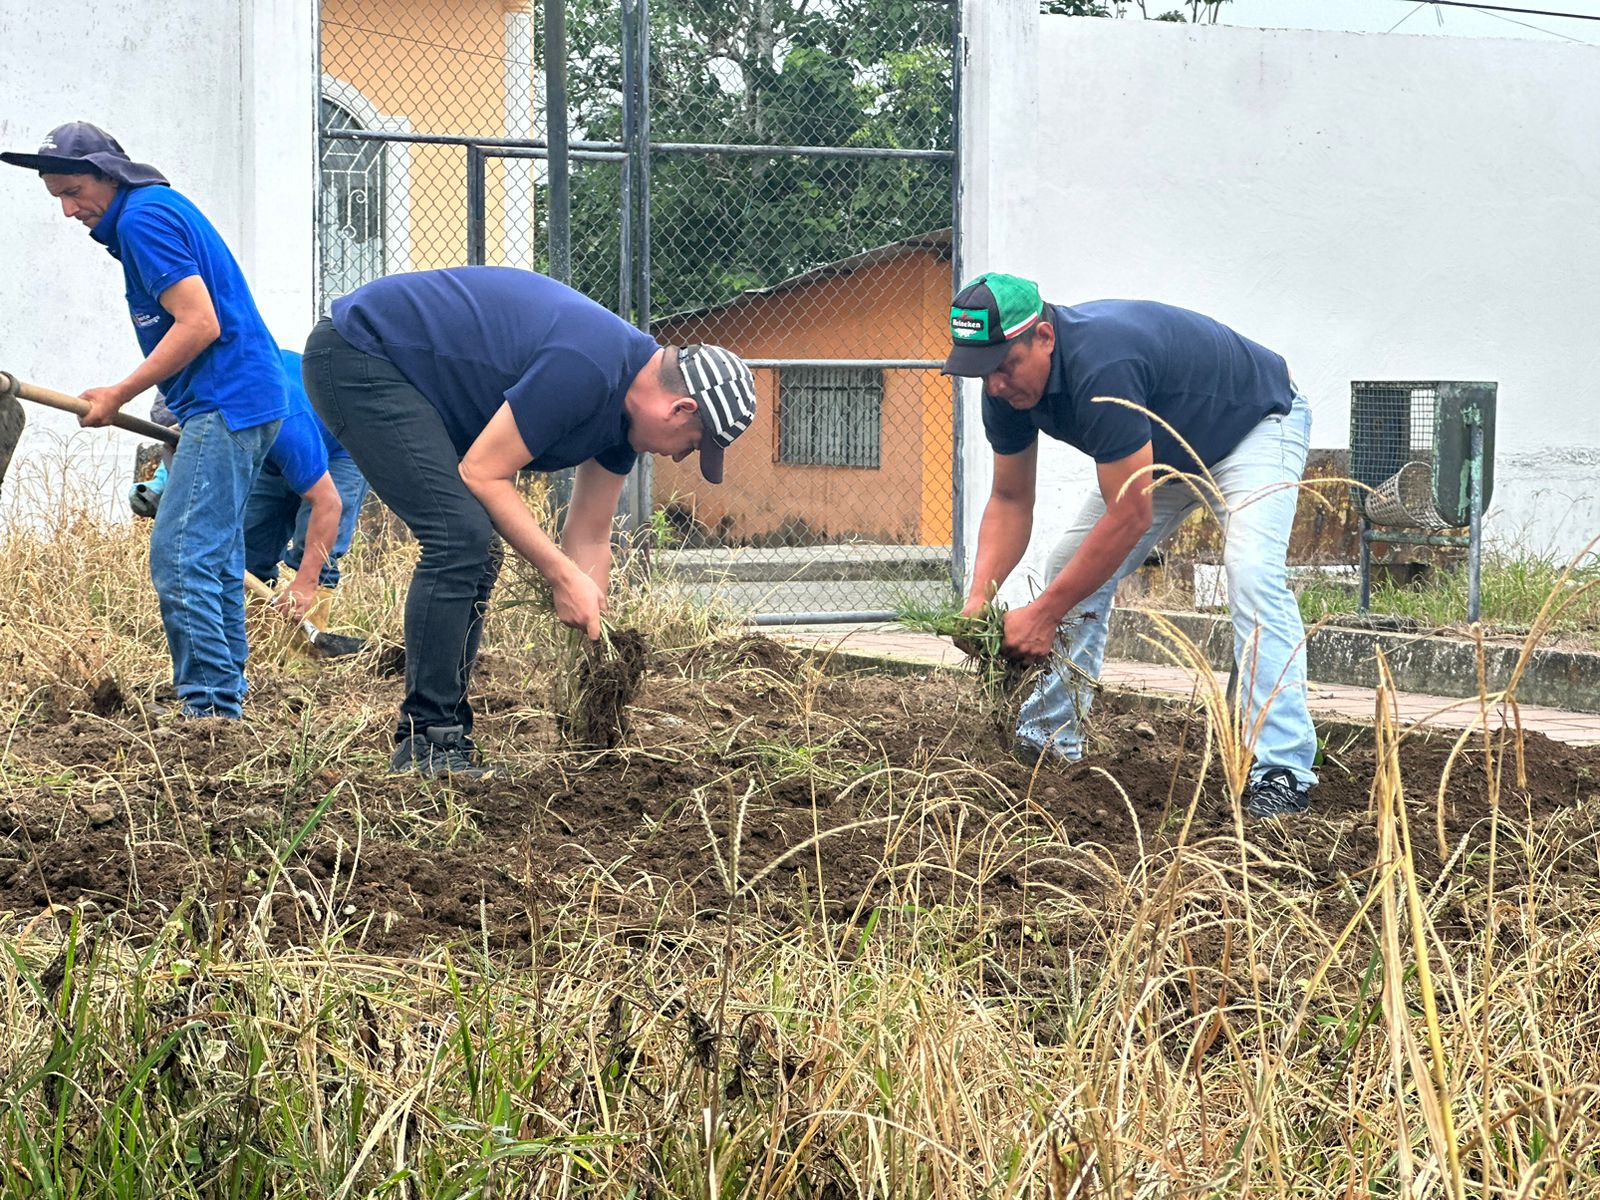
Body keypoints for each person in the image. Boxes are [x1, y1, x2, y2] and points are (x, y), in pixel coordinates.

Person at [302, 266, 758, 777]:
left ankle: (442, 738)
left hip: (413, 377)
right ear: (680, 409)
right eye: (692, 444)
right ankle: (428, 743)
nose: (678, 457)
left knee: (476, 546)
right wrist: (561, 576)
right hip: (362, 353)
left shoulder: (623, 421)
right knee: (460, 537)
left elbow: (590, 535)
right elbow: (482, 473)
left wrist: (595, 637)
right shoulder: (588, 366)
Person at [944, 273, 1317, 818]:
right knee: (1065, 564)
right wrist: (979, 598)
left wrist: (1044, 615)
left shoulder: (1103, 366)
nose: (995, 384)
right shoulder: (1004, 391)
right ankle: (1050, 737)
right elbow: (1009, 498)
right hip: (1161, 451)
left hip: (1253, 426)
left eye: (1004, 366)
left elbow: (1130, 514)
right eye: (982, 371)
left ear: (1044, 337)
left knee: (1252, 571)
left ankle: (1282, 770)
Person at [2, 122, 287, 718]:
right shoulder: (154, 209)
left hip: (226, 401)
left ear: (108, 174)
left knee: (181, 556)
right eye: (57, 197)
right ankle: (225, 696)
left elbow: (199, 322)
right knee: (215, 556)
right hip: (240, 398)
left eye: (75, 192)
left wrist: (118, 394)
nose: (69, 211)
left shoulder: (141, 220)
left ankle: (209, 711)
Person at [243, 349, 370, 621]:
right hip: (275, 439)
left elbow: (328, 503)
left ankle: (306, 642)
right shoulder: (211, 409)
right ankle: (254, 639)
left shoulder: (287, 427)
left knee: (314, 555)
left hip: (345, 443)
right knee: (250, 547)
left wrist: (305, 583)